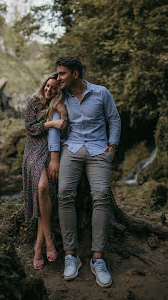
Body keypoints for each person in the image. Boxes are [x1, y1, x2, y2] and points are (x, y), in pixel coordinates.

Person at [48, 57, 121, 287]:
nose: (58, 77)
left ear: (75, 74)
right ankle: (71, 255)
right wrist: (54, 155)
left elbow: (114, 119)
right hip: (72, 147)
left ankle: (98, 259)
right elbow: (54, 123)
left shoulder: (101, 93)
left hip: (99, 150)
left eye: (62, 74)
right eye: (58, 74)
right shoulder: (61, 96)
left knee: (101, 196)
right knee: (64, 194)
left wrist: (113, 146)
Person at [22, 72, 67, 270]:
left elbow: (65, 128)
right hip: (32, 151)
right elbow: (30, 128)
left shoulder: (57, 105)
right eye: (47, 86)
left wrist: (60, 110)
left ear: (58, 91)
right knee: (42, 187)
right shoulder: (34, 101)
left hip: (48, 151)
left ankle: (38, 247)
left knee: (44, 193)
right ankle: (49, 239)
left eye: (54, 88)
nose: (49, 90)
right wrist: (50, 123)